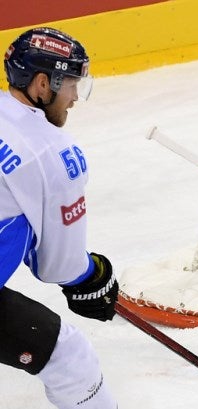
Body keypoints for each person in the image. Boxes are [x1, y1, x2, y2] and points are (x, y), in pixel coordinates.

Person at [1, 27, 119, 408]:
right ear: (41, 84)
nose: (74, 98)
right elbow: (58, 265)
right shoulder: (53, 154)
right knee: (70, 359)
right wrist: (92, 276)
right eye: (71, 84)